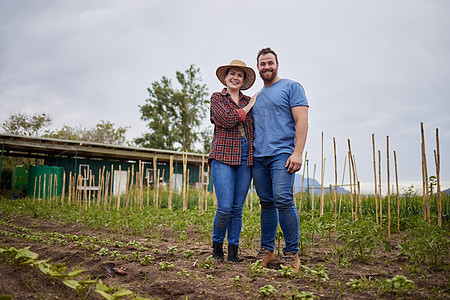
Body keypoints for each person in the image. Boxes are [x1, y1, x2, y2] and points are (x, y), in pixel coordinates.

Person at [251, 48, 309, 271]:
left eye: (270, 63)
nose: (266, 67)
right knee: (266, 203)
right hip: (259, 157)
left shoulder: (291, 87)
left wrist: (297, 152)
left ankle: (291, 253)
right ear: (257, 67)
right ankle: (267, 251)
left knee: (283, 200)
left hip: (282, 154)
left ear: (277, 64)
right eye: (262, 64)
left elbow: (302, 121)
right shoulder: (257, 96)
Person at [209, 60, 257, 262]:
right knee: (225, 206)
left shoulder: (248, 100)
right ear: (226, 77)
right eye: (232, 74)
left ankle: (233, 252)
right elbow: (228, 119)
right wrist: (250, 107)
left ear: (244, 80)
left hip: (246, 154)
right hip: (222, 153)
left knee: (238, 208)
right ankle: (217, 248)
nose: (235, 78)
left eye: (240, 75)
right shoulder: (217, 98)